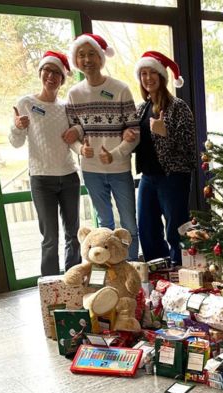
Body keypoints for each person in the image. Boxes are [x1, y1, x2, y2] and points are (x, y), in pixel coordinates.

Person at [65, 33, 140, 260]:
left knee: (128, 224)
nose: (87, 59)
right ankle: (109, 269)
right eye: (81, 55)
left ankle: (131, 267)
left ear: (100, 58)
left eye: (92, 54)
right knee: (104, 224)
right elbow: (72, 133)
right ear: (75, 60)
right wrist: (80, 149)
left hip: (119, 169)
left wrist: (115, 154)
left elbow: (135, 133)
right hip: (91, 171)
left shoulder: (120, 89)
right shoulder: (74, 94)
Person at [10, 50, 81, 276]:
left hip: (69, 177)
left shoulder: (65, 107)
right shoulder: (26, 103)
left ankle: (74, 280)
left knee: (73, 235)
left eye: (56, 72)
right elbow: (16, 143)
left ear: (63, 78)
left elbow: (72, 140)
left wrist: (81, 143)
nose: (51, 76)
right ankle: (51, 286)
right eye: (47, 70)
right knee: (50, 238)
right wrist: (17, 127)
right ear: (40, 72)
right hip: (41, 180)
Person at [133, 51, 196, 265]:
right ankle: (158, 273)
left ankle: (180, 272)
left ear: (161, 76)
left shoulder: (178, 107)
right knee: (147, 229)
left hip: (173, 177)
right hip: (147, 176)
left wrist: (165, 134)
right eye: (143, 73)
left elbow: (189, 149)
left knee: (176, 230)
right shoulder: (141, 109)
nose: (148, 78)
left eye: (152, 72)